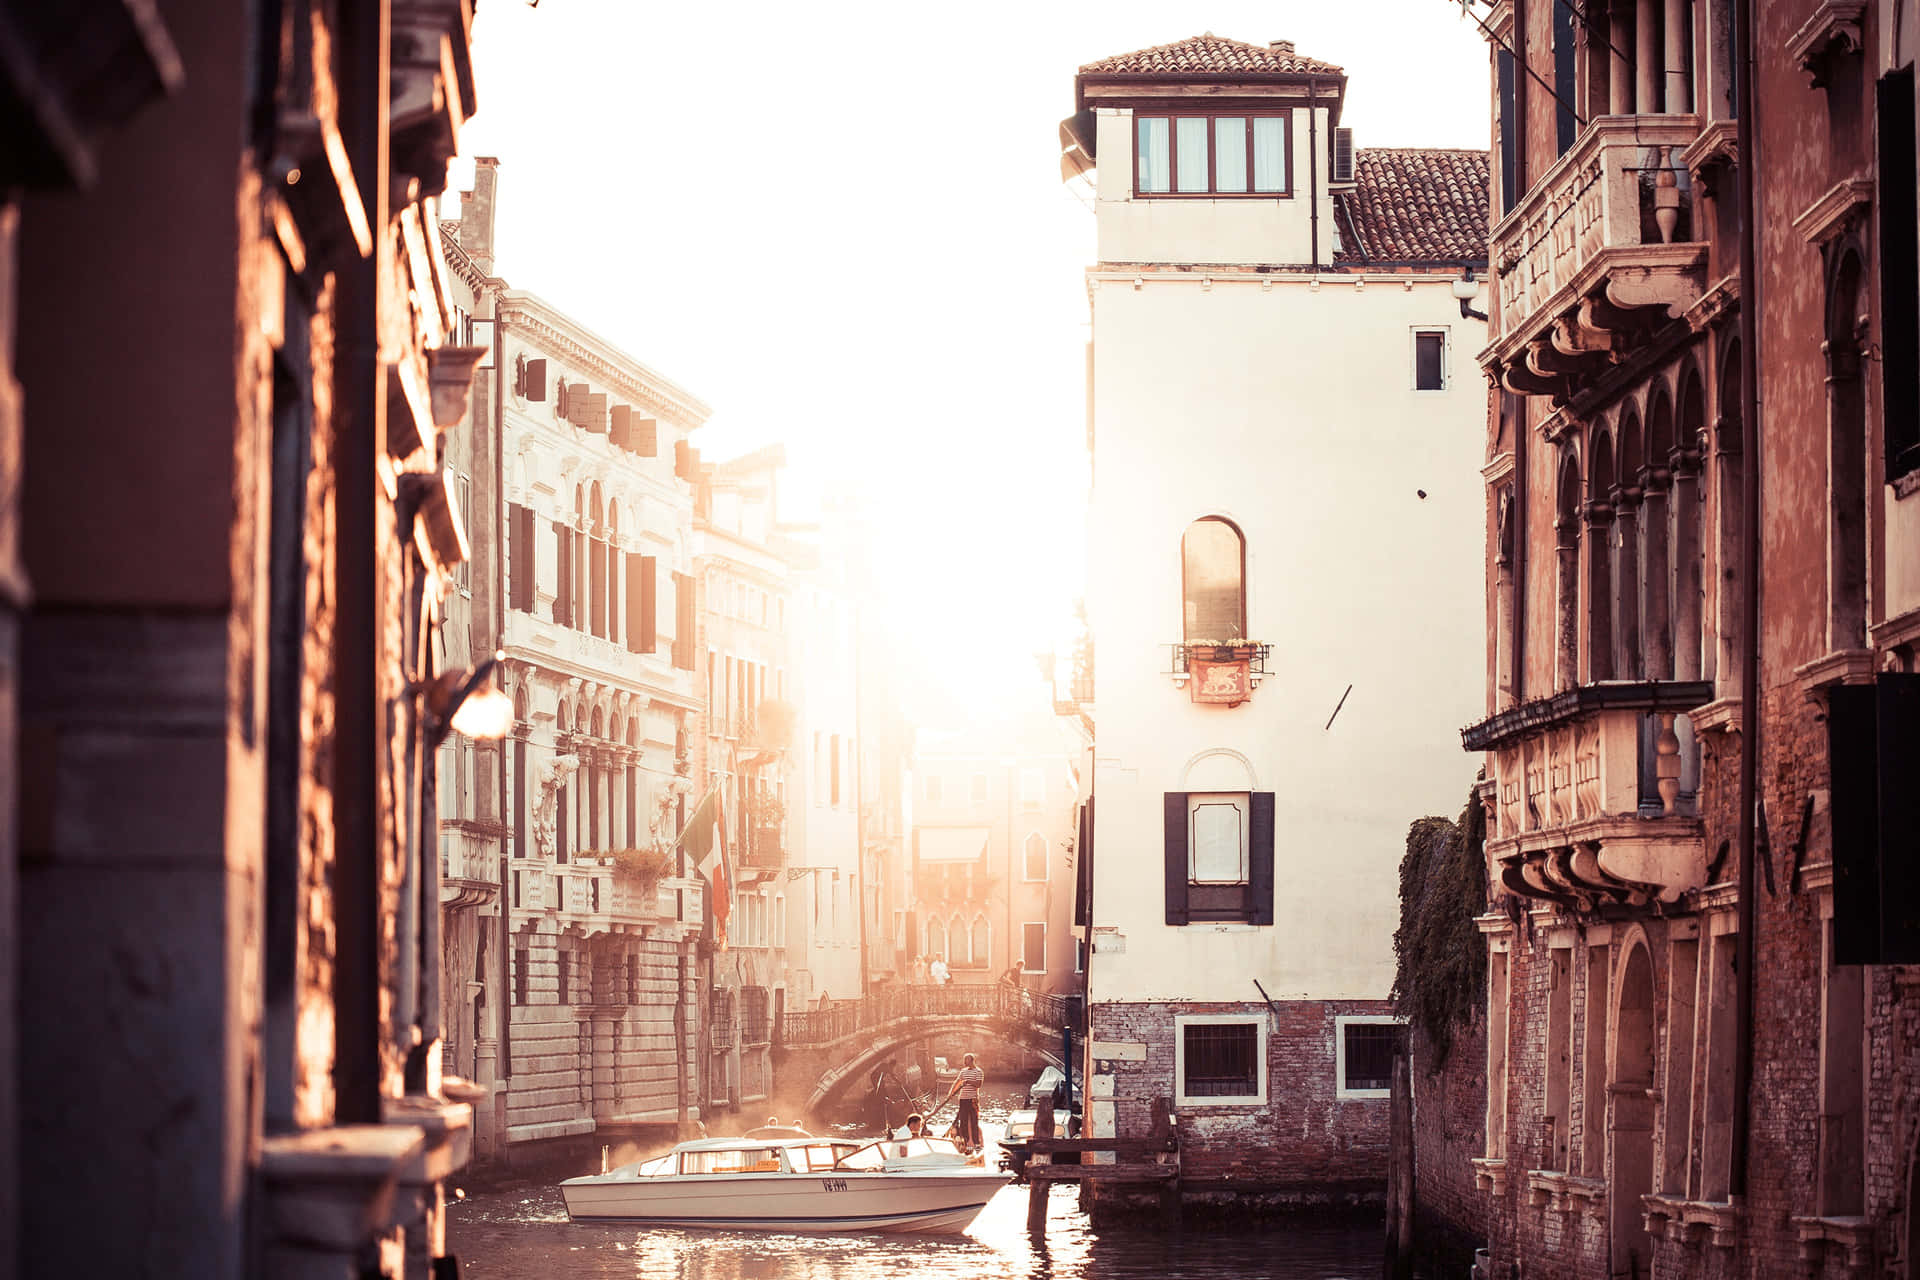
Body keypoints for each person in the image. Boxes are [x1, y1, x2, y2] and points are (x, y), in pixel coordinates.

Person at [939, 1052, 985, 1152]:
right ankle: (966, 1142)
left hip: (973, 1100)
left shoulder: (979, 1071)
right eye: (964, 1060)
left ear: (972, 1060)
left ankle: (976, 1144)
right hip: (963, 1099)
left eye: (966, 1060)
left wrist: (968, 1082)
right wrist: (950, 1093)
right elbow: (957, 1082)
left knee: (974, 1122)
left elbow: (978, 1084)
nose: (964, 1062)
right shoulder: (963, 1071)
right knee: (963, 1122)